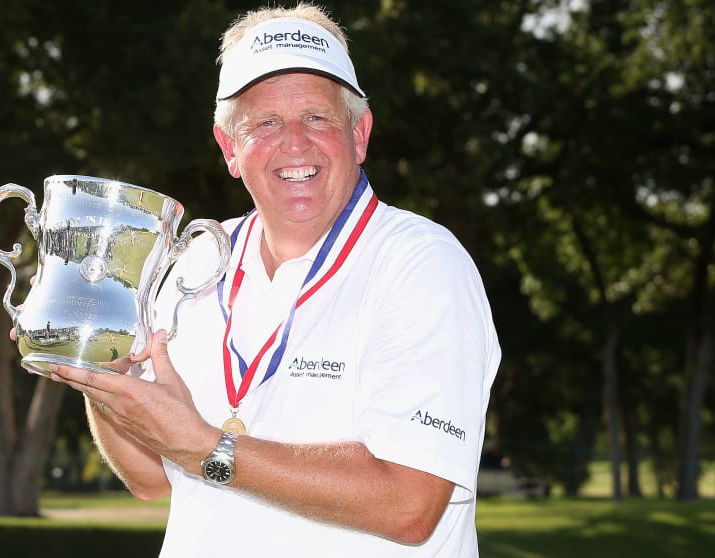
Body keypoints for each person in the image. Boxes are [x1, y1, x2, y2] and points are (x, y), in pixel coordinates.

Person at [45, 3, 500, 556]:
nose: (294, 143)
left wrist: (208, 447)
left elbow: (410, 503)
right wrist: (103, 380)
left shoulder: (421, 264)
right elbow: (152, 480)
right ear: (229, 148)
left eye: (317, 117)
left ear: (360, 134)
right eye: (263, 123)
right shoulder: (195, 260)